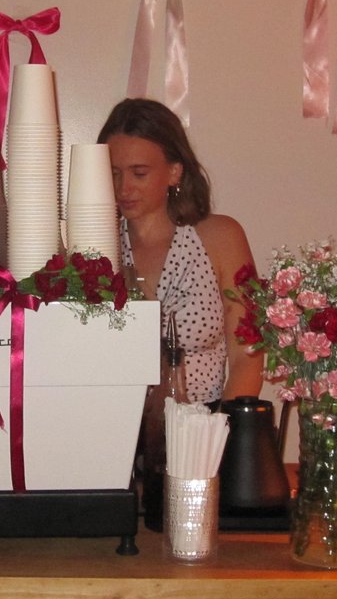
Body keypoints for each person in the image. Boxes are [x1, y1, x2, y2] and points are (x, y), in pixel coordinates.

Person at [97, 98, 263, 404]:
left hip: (206, 430)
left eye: (139, 173)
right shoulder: (96, 249)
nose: (124, 188)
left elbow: (248, 356)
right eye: (114, 172)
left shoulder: (221, 237)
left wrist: (216, 434)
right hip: (119, 436)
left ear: (174, 172)